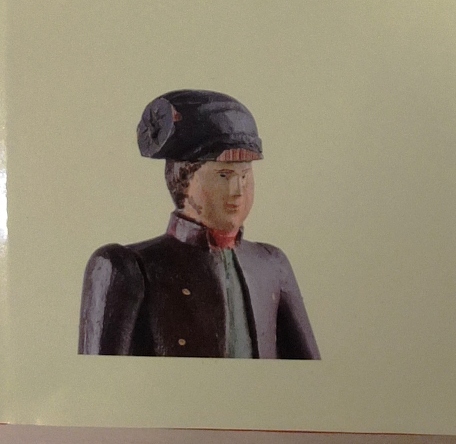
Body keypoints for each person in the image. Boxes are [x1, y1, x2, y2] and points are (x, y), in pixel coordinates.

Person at [79, 90, 319, 358]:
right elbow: (101, 376)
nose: (238, 190)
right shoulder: (126, 268)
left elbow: (309, 371)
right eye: (224, 175)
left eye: (245, 175)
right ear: (184, 179)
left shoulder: (272, 264)